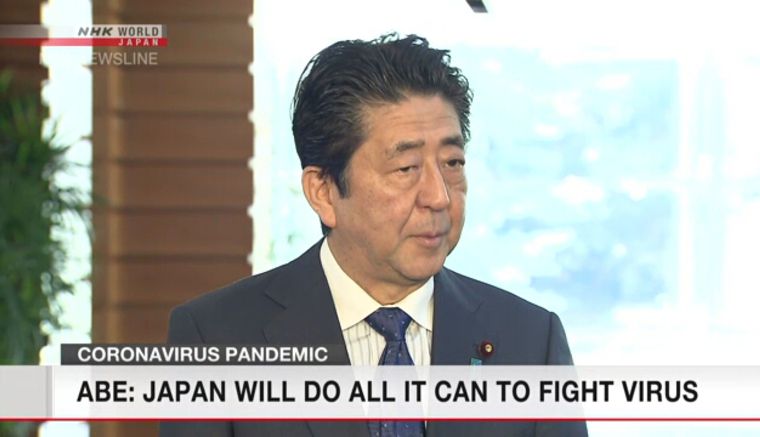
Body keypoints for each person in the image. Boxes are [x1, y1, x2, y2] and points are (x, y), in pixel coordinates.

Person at [161, 34, 587, 437]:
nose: (439, 197)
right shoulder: (215, 339)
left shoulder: (532, 342)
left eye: (452, 163)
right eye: (406, 168)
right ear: (323, 191)